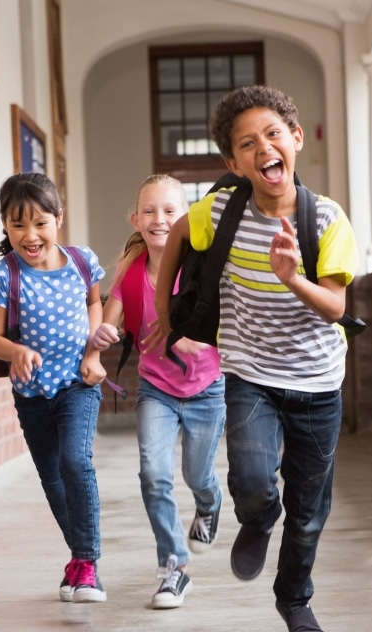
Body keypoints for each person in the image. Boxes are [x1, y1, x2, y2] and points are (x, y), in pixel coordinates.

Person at [147, 86, 359, 632]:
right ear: (233, 162)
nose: (263, 147)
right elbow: (172, 244)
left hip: (317, 382)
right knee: (252, 480)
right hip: (252, 374)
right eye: (247, 143)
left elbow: (337, 305)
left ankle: (295, 601)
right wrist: (167, 312)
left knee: (309, 511)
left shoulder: (328, 219)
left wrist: (292, 277)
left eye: (272, 134)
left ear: (294, 139)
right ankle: (258, 518)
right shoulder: (219, 210)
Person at [89, 175, 226, 610]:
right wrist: (103, 335)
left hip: (206, 388)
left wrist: (192, 339)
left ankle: (209, 503)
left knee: (196, 475)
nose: (159, 219)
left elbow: (228, 325)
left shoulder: (200, 267)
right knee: (154, 473)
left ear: (185, 217)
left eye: (169, 211)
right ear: (135, 218)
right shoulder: (130, 270)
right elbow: (109, 322)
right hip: (157, 390)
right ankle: (173, 566)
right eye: (148, 211)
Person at [0, 172, 110, 603]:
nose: (30, 235)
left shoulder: (82, 260)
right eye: (18, 225)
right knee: (53, 479)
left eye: (40, 223)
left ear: (59, 218)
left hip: (77, 383)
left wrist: (93, 352)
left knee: (75, 461)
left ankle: (88, 564)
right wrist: (14, 351)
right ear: (4, 225)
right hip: (32, 393)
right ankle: (78, 556)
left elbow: (96, 302)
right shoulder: (3, 274)